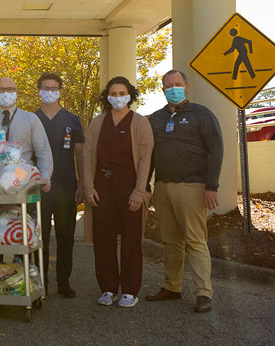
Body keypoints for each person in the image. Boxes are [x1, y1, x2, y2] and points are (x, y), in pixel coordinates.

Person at [145, 70, 223, 313]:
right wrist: (146, 186)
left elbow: (216, 150)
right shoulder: (154, 119)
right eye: (169, 85)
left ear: (187, 87)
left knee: (195, 240)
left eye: (178, 84)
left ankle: (203, 293)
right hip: (163, 187)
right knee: (170, 241)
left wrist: (212, 186)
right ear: (163, 89)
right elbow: (149, 156)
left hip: (193, 186)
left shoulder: (202, 114)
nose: (173, 88)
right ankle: (172, 286)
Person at [83, 76, 153, 308]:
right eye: (113, 93)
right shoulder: (97, 123)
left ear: (130, 95)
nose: (118, 97)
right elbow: (87, 156)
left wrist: (139, 192)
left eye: (122, 93)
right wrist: (89, 187)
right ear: (107, 97)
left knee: (131, 242)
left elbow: (145, 160)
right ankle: (108, 288)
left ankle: (130, 290)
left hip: (130, 189)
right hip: (102, 190)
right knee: (103, 240)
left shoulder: (140, 123)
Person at [33, 73, 85, 298]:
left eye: (54, 88)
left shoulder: (72, 120)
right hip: (38, 189)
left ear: (60, 91)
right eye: (45, 88)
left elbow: (80, 154)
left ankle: (64, 282)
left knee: (65, 236)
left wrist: (83, 183)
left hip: (66, 187)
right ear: (39, 91)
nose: (50, 91)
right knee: (39, 237)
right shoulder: (31, 119)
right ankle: (40, 282)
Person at [0, 77, 53, 192]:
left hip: (23, 182)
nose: (6, 93)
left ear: (16, 92)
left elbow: (43, 151)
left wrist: (45, 177)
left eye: (10, 89)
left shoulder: (31, 119)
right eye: (1, 89)